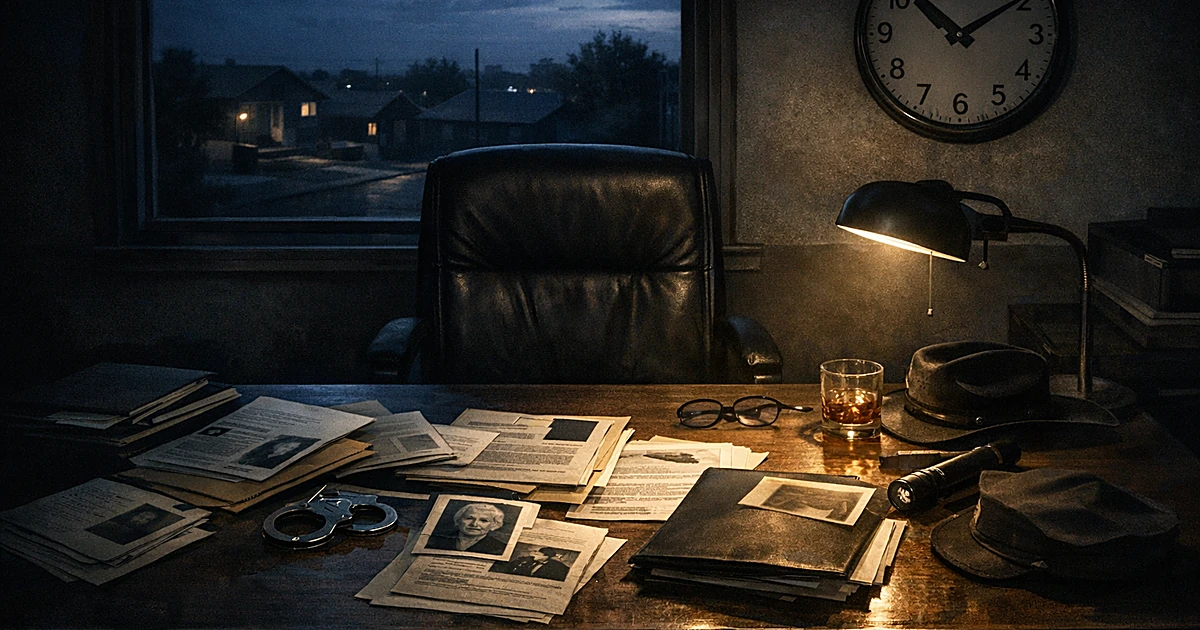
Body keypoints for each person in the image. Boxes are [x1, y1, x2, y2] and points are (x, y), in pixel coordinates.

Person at [424, 503, 508, 555]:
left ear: (494, 525)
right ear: (458, 520)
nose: (474, 524)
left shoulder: (500, 548)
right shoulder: (434, 540)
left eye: (483, 520)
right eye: (469, 518)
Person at [500, 547, 571, 581]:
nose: (533, 554)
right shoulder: (530, 562)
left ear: (546, 556)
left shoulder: (556, 566)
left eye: (537, 554)